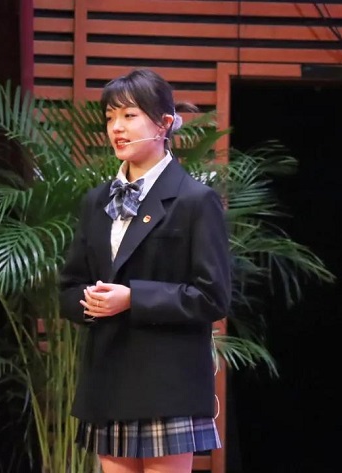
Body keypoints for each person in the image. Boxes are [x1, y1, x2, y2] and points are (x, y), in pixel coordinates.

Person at [59, 68, 231, 473]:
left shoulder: (195, 200)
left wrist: (133, 299)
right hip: (108, 377)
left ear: (164, 123)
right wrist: (89, 301)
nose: (116, 128)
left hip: (166, 382)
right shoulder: (96, 201)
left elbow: (212, 296)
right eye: (109, 118)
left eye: (129, 115)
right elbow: (69, 286)